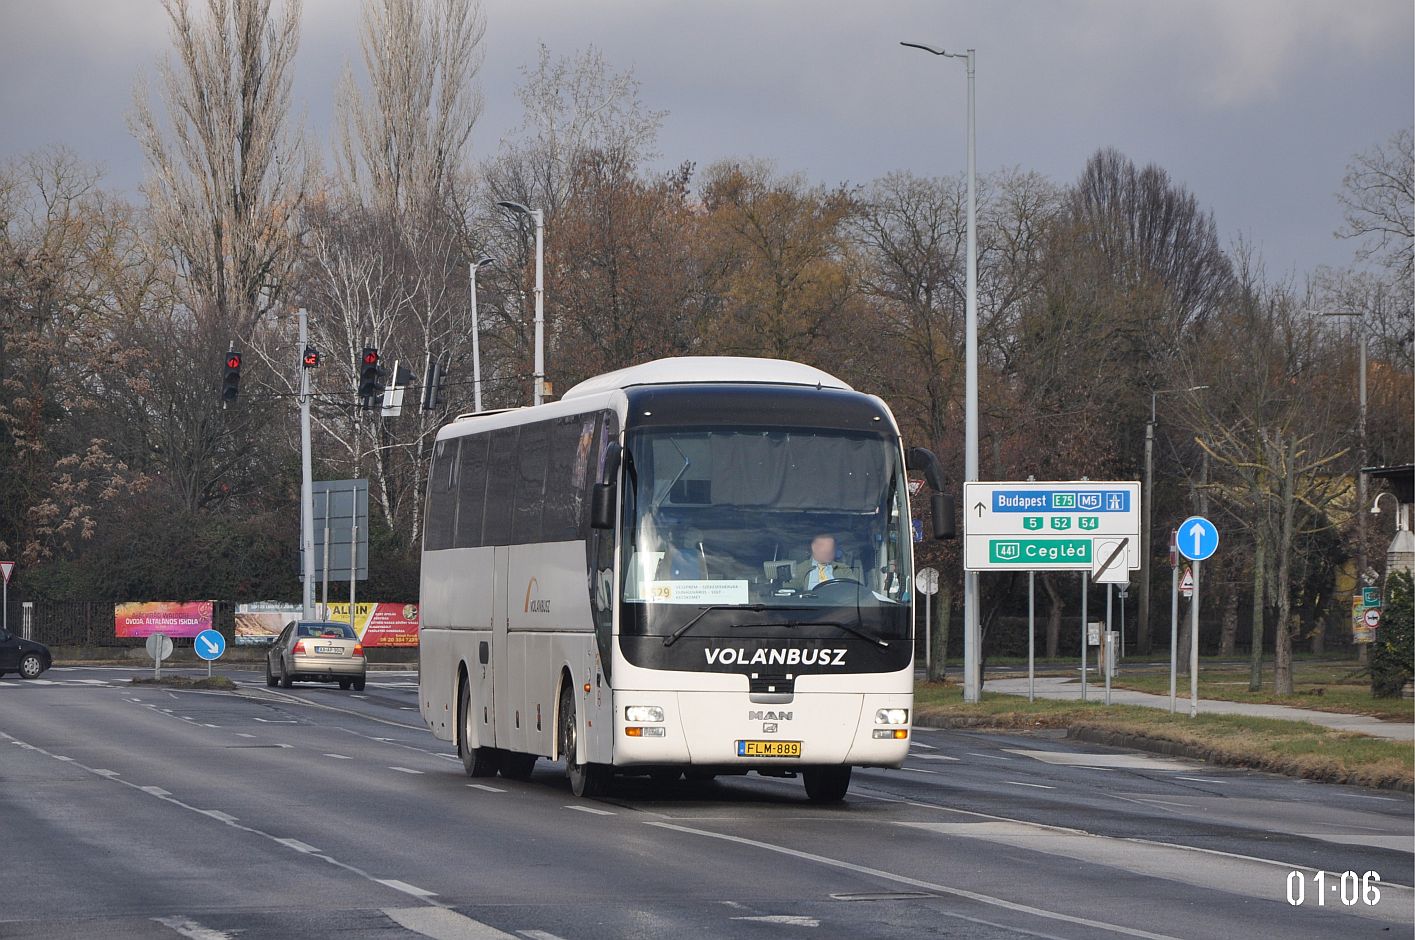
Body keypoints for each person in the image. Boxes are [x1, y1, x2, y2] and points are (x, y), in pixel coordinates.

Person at [787, 534, 860, 591]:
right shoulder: (799, 569)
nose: (829, 551)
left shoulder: (843, 569)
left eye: (831, 547)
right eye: (825, 547)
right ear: (814, 548)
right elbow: (788, 592)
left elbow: (855, 589)